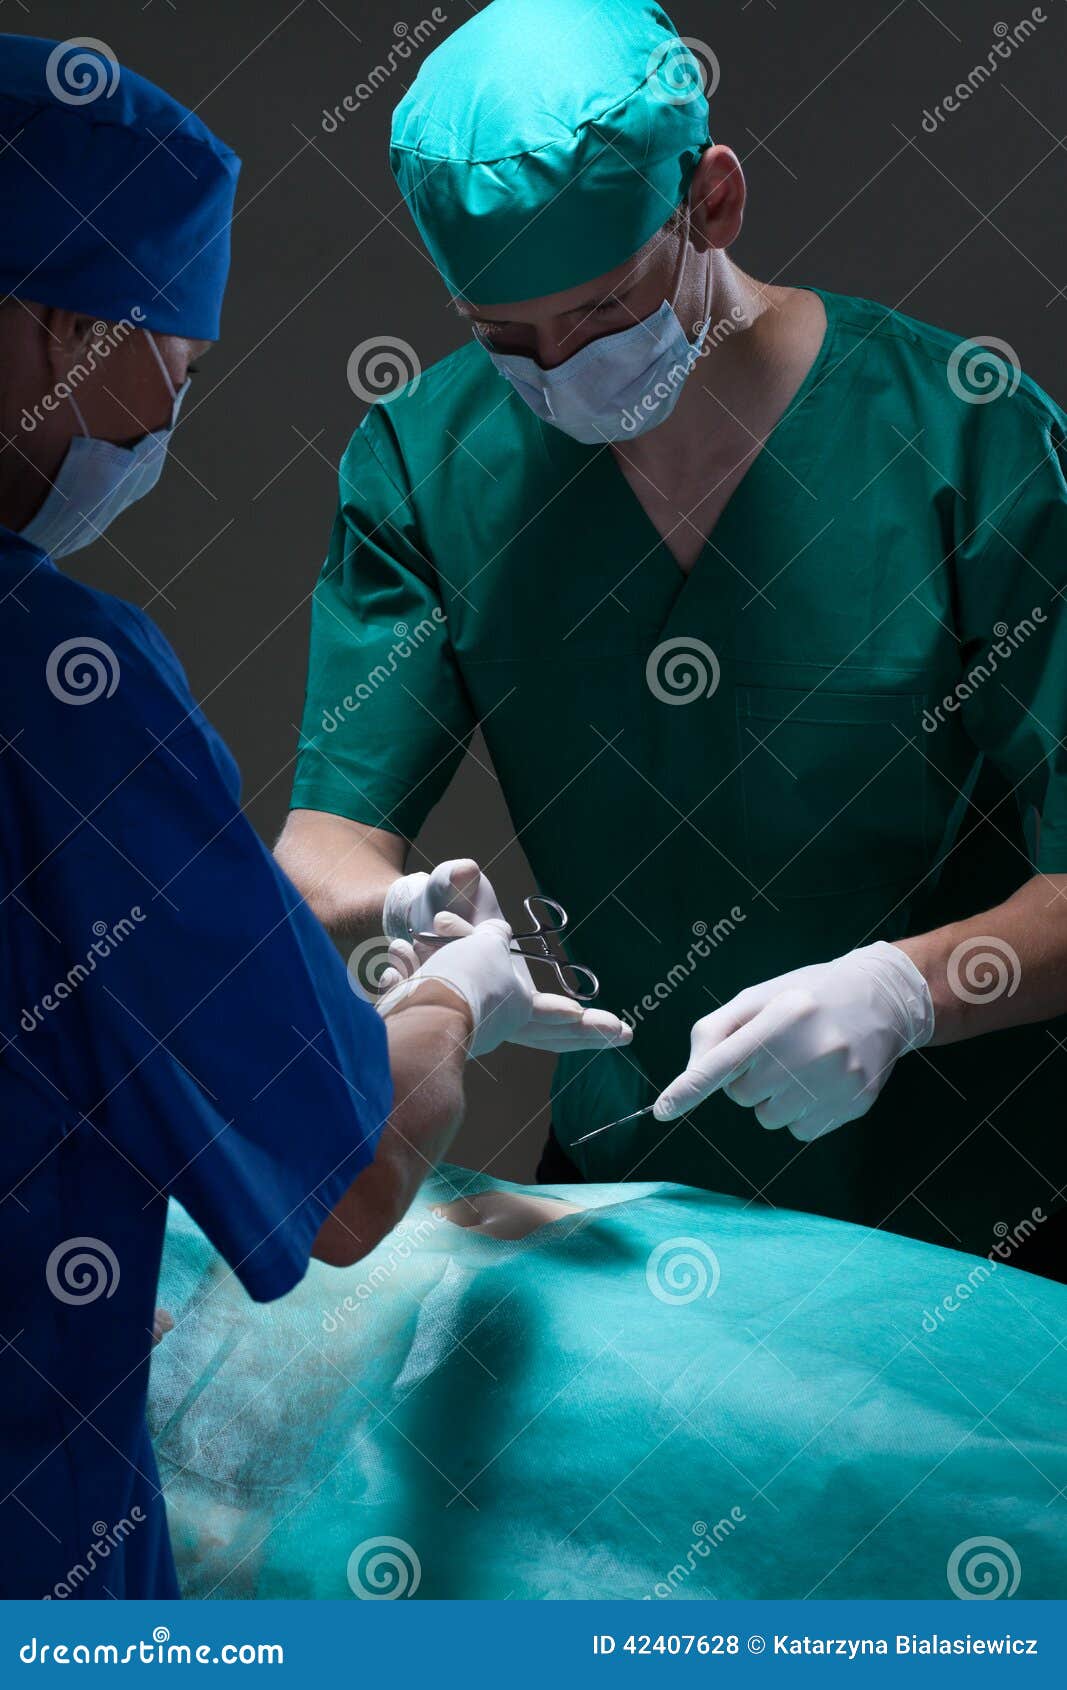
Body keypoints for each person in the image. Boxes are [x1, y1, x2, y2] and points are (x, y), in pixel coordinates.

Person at [276, 0, 1067, 1266]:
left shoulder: (961, 437)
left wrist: (909, 989)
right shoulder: (426, 464)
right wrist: (412, 908)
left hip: (974, 1207)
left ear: (709, 202)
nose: (554, 373)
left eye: (597, 313)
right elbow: (325, 843)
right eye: (502, 341)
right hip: (635, 1194)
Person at [0, 33, 627, 1601]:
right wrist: (447, 1003)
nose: (167, 416)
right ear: (59, 326)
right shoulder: (62, 691)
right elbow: (346, 1179)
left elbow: (83, 939)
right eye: (175, 363)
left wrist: (324, 912)